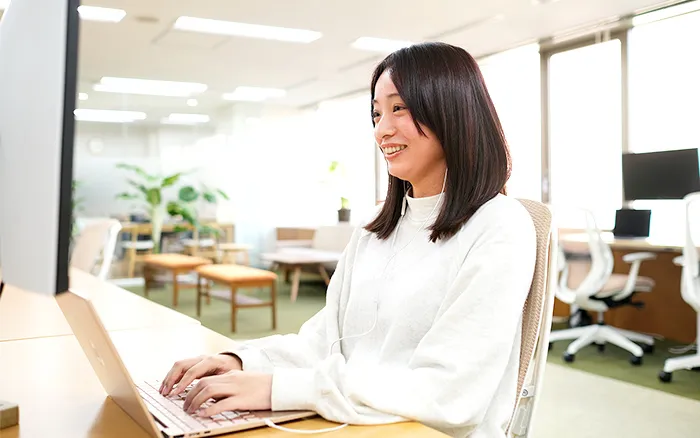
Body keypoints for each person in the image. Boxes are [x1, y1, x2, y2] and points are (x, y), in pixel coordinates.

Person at [159, 42, 537, 438]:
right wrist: (243, 362)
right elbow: (326, 341)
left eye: (399, 108)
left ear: (451, 109)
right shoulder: (378, 225)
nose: (382, 129)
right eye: (376, 113)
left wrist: (279, 388)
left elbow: (447, 394)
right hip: (351, 420)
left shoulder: (499, 226)